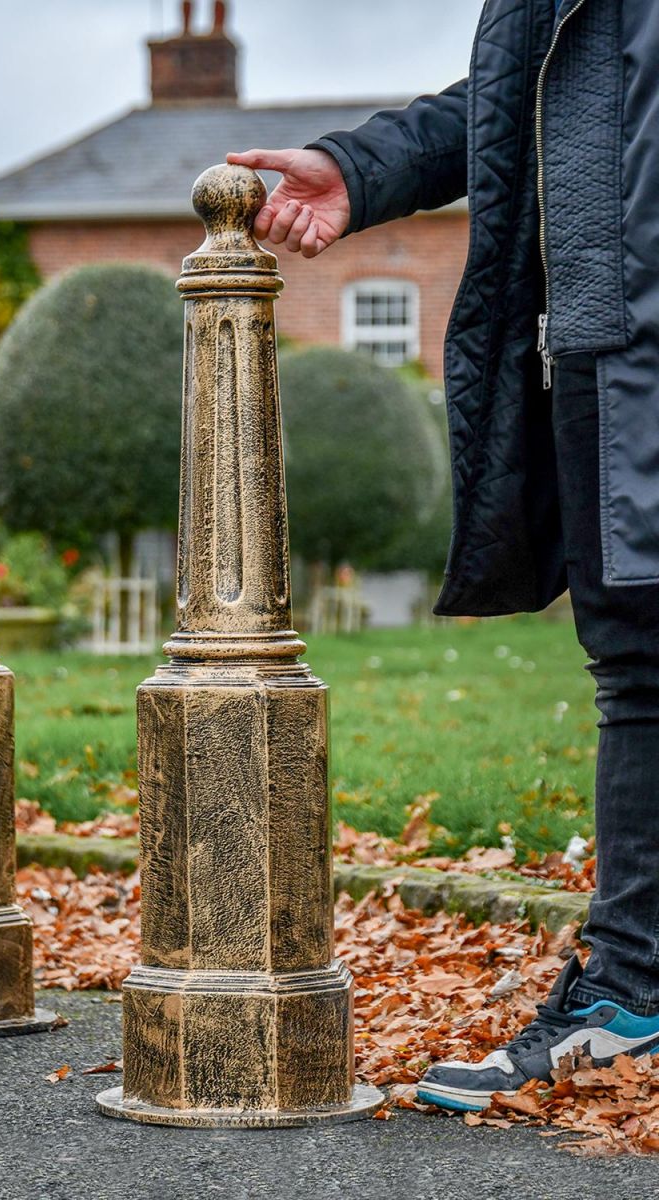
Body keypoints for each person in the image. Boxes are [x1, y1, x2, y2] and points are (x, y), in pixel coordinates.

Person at [228, 0, 659, 1114]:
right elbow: (529, 97)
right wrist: (353, 168)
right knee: (640, 657)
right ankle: (631, 993)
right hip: (611, 339)